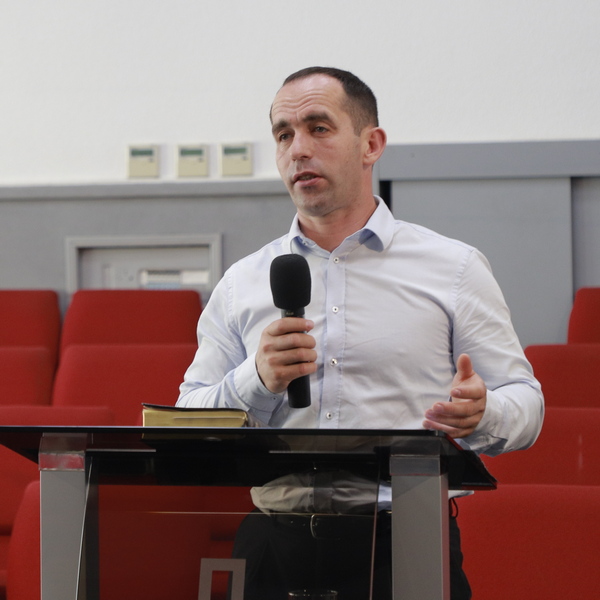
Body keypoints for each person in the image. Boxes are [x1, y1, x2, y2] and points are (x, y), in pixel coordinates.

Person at [178, 66, 544, 599]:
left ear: (371, 144)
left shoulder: (454, 268)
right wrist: (254, 380)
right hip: (272, 548)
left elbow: (526, 403)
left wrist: (483, 414)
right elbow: (186, 420)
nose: (298, 149)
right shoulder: (242, 282)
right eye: (284, 134)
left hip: (405, 543)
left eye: (318, 128)